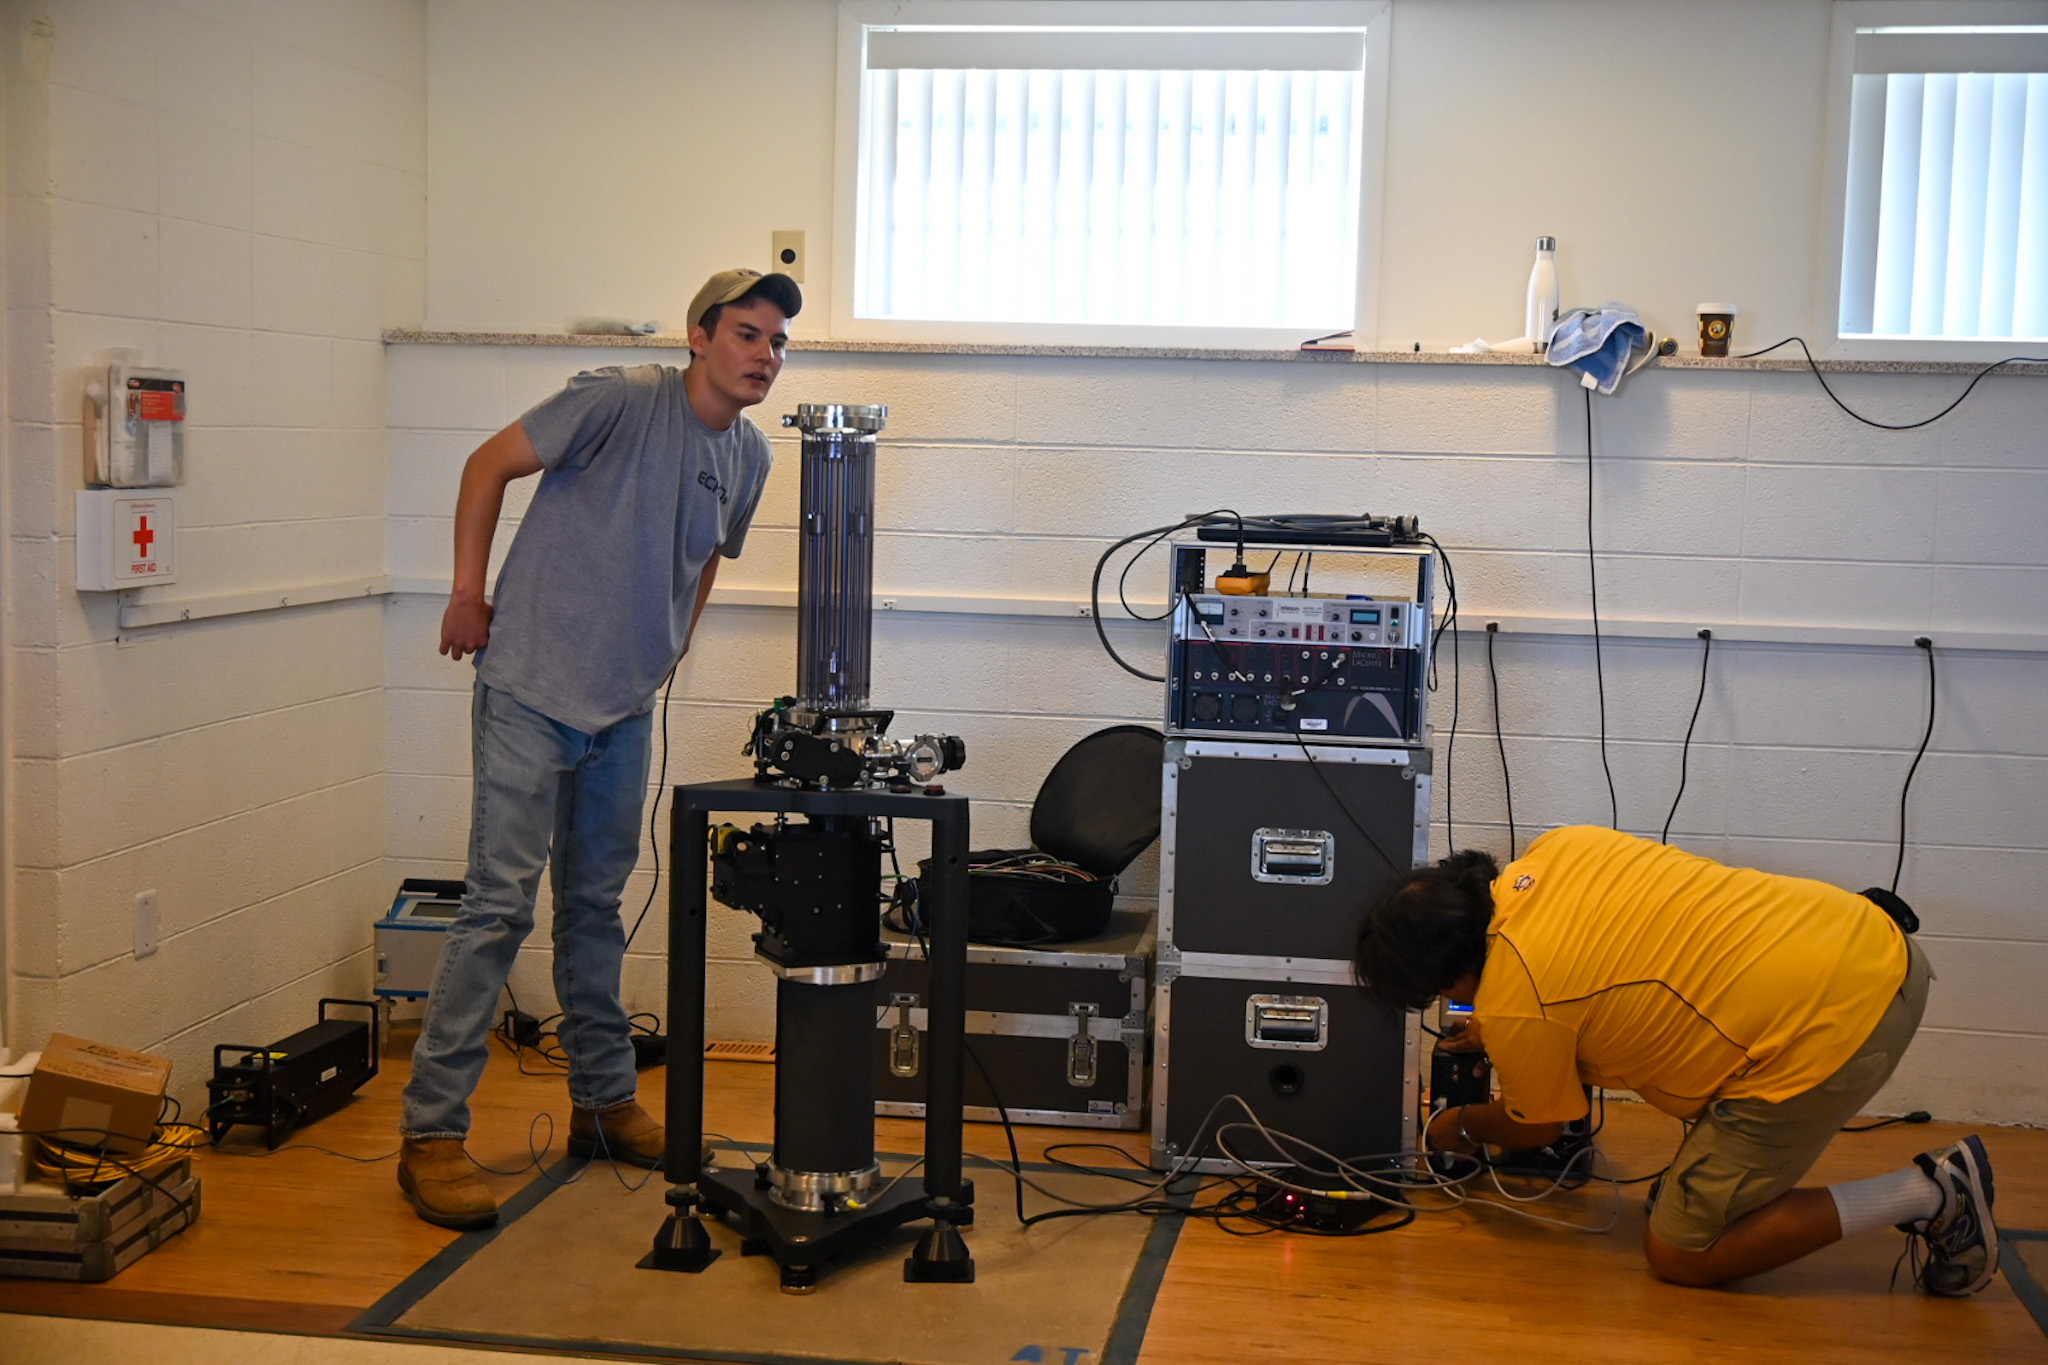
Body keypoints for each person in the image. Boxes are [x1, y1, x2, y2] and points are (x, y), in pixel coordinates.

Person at [396, 268, 801, 1229]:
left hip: (621, 707)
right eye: (748, 334)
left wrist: (668, 652)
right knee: (497, 905)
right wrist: (466, 591)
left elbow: (703, 562)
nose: (765, 357)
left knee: (592, 909)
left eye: (779, 343)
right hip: (531, 687)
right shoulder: (619, 399)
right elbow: (486, 464)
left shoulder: (748, 458)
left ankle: (603, 1103)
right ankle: (430, 1136)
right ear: (699, 337)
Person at [1353, 824, 1997, 1296]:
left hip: (1838, 1026)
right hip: (1864, 937)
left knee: (1679, 1250)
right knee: (1682, 1177)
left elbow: (1538, 1126)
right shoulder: (1559, 849)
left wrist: (1460, 1126)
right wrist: (1507, 1031)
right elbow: (1613, 968)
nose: (1452, 1006)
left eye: (1443, 994)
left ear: (1445, 971)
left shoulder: (1521, 1003)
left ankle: (1932, 1194)